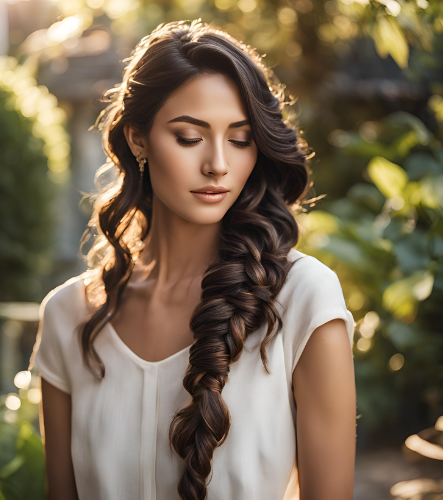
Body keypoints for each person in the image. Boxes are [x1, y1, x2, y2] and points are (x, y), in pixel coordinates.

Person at [28, 18, 357, 500]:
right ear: (138, 139)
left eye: (241, 139)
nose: (218, 164)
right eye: (189, 136)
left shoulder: (304, 299)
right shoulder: (68, 317)